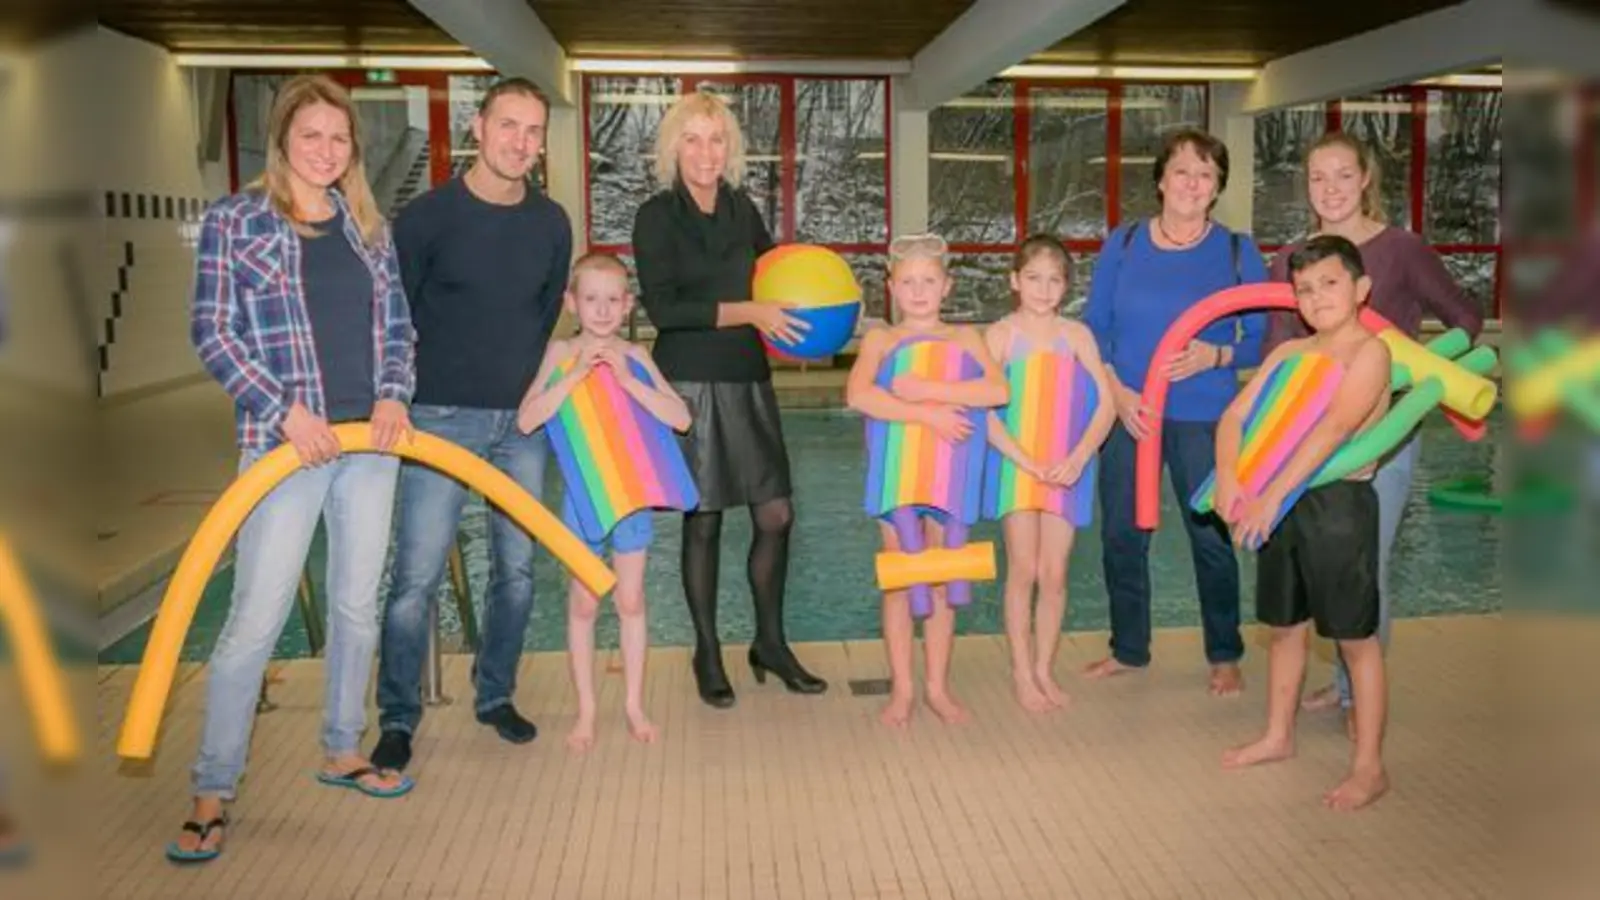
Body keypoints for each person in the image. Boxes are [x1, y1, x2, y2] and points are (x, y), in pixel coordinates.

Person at [169, 74, 416, 863]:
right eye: (311, 136)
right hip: (286, 447)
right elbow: (211, 332)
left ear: (353, 151)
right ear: (283, 141)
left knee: (355, 606)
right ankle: (213, 786)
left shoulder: (369, 229)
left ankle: (343, 747)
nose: (326, 150)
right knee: (253, 622)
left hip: (369, 447)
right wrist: (285, 410)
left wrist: (392, 397)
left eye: (339, 139)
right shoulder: (238, 222)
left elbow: (401, 331)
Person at [371, 77, 572, 771]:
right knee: (416, 578)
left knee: (516, 573)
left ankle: (495, 695)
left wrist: (529, 398)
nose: (521, 142)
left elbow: (543, 320)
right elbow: (395, 321)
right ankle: (397, 716)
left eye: (533, 131)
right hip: (438, 419)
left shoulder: (551, 224)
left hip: (521, 424)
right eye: (508, 125)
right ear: (478, 127)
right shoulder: (426, 219)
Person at [1263, 131, 1483, 723]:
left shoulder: (1401, 249)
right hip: (1306, 438)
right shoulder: (1291, 259)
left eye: (1341, 174)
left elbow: (1465, 315)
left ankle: (1359, 694)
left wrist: (1422, 379)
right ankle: (1342, 685)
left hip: (1379, 441)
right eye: (1316, 177)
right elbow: (1278, 349)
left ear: (1365, 179)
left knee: (1366, 567)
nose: (1329, 188)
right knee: (1318, 564)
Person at [630, 90, 826, 708]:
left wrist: (822, 303)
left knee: (777, 514)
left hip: (747, 377)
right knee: (706, 521)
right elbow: (665, 309)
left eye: (716, 139)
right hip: (687, 381)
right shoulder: (656, 217)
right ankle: (707, 650)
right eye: (692, 138)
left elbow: (778, 275)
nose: (705, 152)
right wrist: (749, 311)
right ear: (673, 148)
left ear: (731, 148)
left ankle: (770, 641)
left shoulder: (743, 209)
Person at [1080, 128, 1269, 695]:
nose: (1192, 183)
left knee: (1209, 534)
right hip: (1129, 409)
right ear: (1161, 179)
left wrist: (1217, 353)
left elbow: (1265, 338)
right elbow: (1096, 327)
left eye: (1206, 175)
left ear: (1217, 190)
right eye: (1182, 171)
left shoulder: (1238, 251)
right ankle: (1129, 648)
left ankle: (1224, 651)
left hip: (1202, 412)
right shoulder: (1126, 242)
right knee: (1120, 534)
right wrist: (1116, 392)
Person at [1219, 234, 1393, 811]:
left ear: (1361, 288)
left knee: (1354, 639)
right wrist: (1229, 477)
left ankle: (1369, 767)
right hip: (1278, 501)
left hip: (1337, 505)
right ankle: (1278, 735)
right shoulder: (1288, 355)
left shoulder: (1370, 353)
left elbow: (1335, 429)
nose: (1316, 297)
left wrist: (1275, 494)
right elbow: (1236, 416)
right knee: (1285, 624)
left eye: (1329, 283)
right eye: (1304, 288)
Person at [516, 252, 691, 751]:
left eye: (612, 300)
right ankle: (587, 710)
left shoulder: (637, 356)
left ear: (627, 304)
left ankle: (634, 704)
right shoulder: (558, 353)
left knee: (631, 600)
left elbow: (680, 419)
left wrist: (629, 379)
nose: (602, 309)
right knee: (584, 602)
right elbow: (528, 420)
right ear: (572, 302)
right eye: (590, 299)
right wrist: (572, 376)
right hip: (583, 499)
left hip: (631, 498)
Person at [846, 233, 1009, 728]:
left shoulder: (965, 339)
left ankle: (937, 687)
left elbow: (997, 390)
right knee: (899, 583)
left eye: (929, 281)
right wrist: (929, 416)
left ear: (947, 286)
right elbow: (859, 395)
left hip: (949, 476)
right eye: (908, 282)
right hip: (897, 476)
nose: (918, 291)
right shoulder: (881, 340)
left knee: (939, 577)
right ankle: (903, 689)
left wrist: (929, 392)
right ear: (892, 287)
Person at [982, 235, 1115, 712]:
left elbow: (1106, 403)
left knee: (1054, 574)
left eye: (1054, 280)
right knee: (1024, 569)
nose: (1043, 289)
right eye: (1033, 278)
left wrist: (1080, 456)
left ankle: (1043, 668)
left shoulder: (1076, 336)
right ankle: (1021, 671)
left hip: (1066, 468)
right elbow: (986, 414)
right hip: (1019, 468)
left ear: (1066, 287)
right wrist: (1024, 460)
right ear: (1014, 280)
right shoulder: (1001, 335)